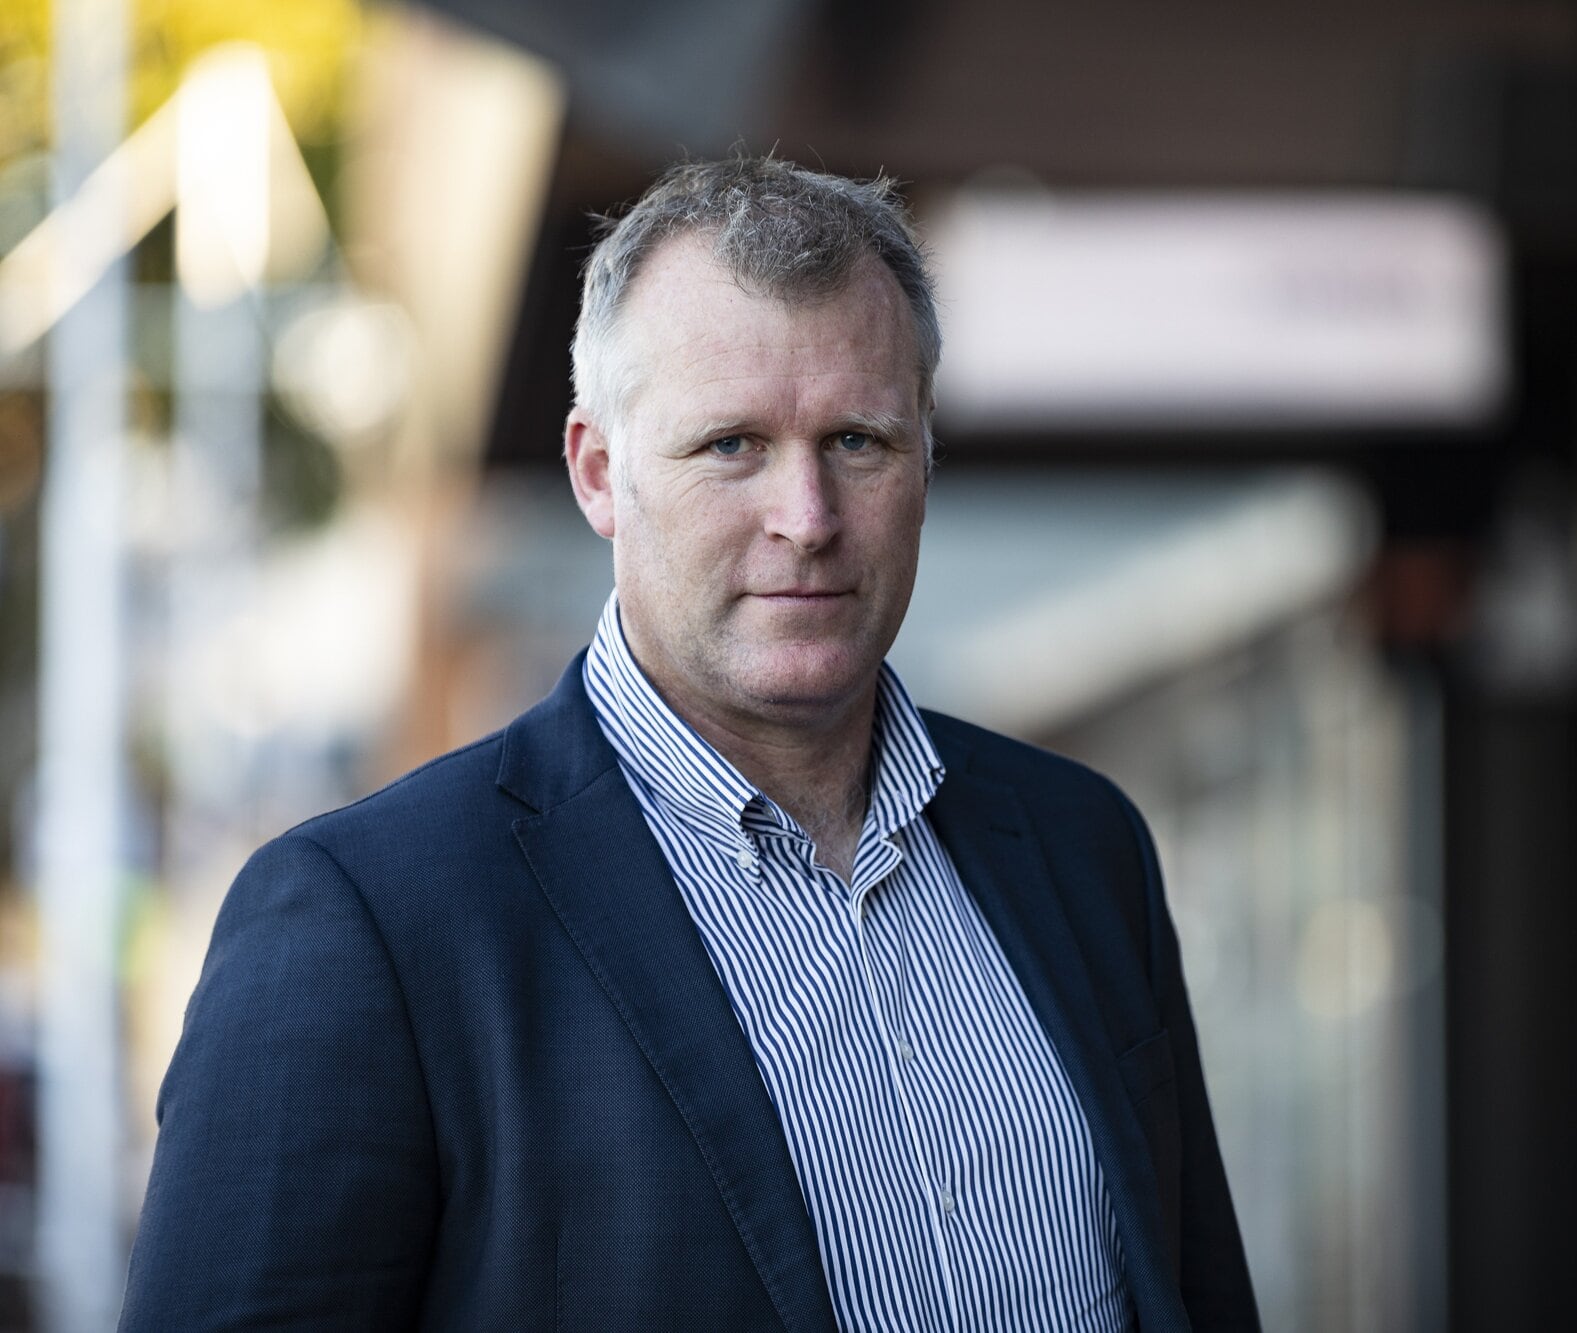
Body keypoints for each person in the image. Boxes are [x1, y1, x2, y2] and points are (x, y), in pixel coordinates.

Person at [121, 156, 1258, 1331]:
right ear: (598, 472)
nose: (805, 520)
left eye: (857, 441)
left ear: (925, 460)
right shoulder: (371, 921)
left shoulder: (1081, 848)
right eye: (729, 446)